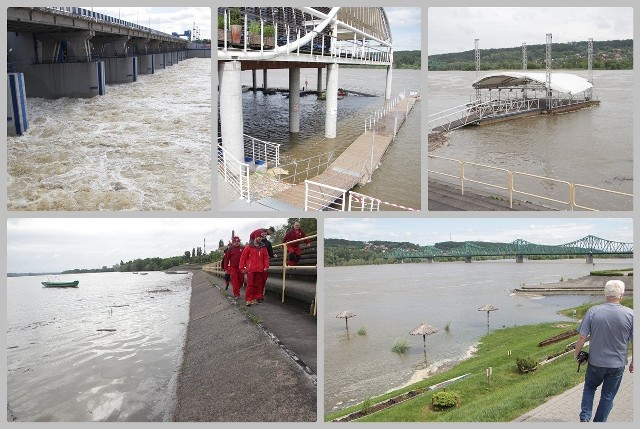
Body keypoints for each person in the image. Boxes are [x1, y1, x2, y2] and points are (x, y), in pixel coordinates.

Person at [574, 279, 633, 422]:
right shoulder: (631, 314)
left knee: (589, 388)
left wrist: (577, 355)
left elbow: (582, 337)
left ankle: (585, 418)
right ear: (622, 294)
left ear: (605, 294)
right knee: (608, 396)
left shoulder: (593, 311)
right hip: (617, 365)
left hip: (595, 363)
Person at [239, 232, 269, 307]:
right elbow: (243, 258)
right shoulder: (248, 247)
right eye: (259, 237)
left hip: (260, 269)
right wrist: (241, 267)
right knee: (250, 284)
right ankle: (249, 299)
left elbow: (266, 257)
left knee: (258, 284)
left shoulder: (263, 247)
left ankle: (255, 298)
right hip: (251, 269)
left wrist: (266, 266)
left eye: (261, 237)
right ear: (256, 237)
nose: (260, 239)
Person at [250, 227, 276, 302]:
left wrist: (273, 255)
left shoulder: (268, 243)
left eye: (265, 233)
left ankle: (260, 295)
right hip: (256, 265)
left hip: (264, 265)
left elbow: (270, 253)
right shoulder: (255, 243)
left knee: (263, 281)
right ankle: (255, 296)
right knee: (256, 281)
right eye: (262, 233)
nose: (264, 235)